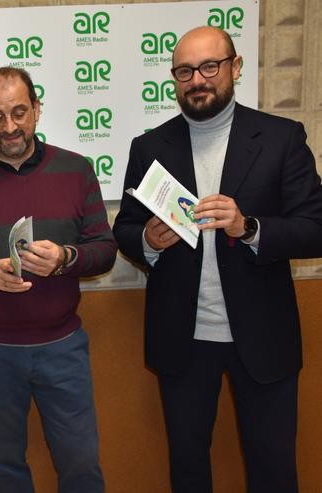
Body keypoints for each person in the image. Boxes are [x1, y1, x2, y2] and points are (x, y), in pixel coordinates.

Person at [113, 26, 322, 493]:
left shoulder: (281, 138)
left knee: (273, 470)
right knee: (188, 470)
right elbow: (123, 229)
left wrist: (249, 227)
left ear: (235, 67)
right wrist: (148, 239)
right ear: (174, 78)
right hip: (183, 339)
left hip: (264, 338)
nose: (197, 79)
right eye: (185, 71)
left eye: (210, 66)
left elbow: (316, 227)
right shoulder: (149, 147)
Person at [0, 66, 116, 493]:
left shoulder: (77, 170)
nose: (9, 127)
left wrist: (65, 258)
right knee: (6, 466)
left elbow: (105, 249)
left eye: (19, 112)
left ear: (37, 110)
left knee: (81, 464)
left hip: (62, 346)